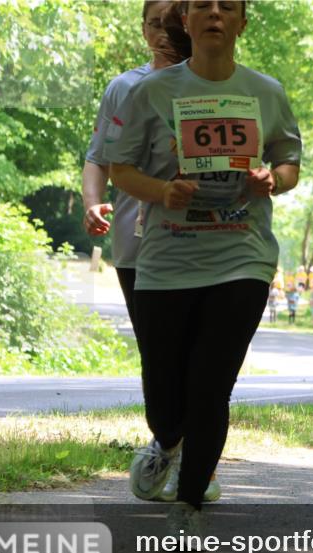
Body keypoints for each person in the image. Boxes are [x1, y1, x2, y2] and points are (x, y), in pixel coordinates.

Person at [107, 0, 302, 530]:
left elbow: (288, 160)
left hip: (242, 255)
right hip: (167, 258)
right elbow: (119, 168)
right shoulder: (151, 91)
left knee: (211, 386)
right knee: (164, 395)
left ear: (242, 22)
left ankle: (189, 502)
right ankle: (167, 441)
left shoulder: (266, 92)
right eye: (202, 6)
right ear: (186, 22)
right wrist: (162, 191)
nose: (215, 13)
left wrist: (274, 180)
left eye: (227, 6)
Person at [83, 0, 188, 333]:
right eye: (155, 24)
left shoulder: (214, 88)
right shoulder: (124, 88)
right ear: (143, 29)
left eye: (172, 24)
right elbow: (98, 157)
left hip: (200, 240)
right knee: (156, 347)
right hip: (135, 241)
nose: (164, 34)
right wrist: (92, 204)